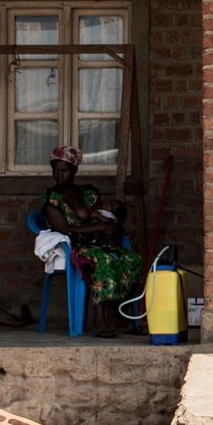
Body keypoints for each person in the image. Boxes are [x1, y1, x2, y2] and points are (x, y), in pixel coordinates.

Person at [39, 144, 140, 337]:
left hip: (96, 243)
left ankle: (118, 314)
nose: (59, 175)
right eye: (55, 170)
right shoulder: (51, 198)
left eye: (64, 170)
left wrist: (107, 225)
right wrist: (100, 228)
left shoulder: (86, 193)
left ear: (74, 170)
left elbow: (102, 214)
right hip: (75, 245)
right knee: (103, 260)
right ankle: (99, 319)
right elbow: (65, 229)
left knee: (131, 259)